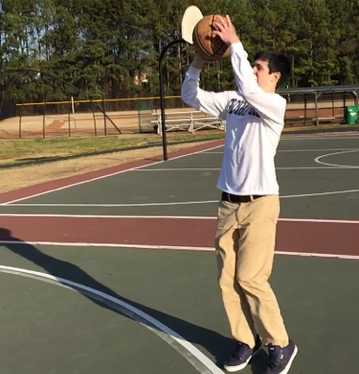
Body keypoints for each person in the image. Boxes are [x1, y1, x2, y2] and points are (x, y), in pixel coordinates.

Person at [181, 15, 298, 374]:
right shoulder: (233, 100)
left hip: (261, 203)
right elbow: (190, 96)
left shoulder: (274, 106)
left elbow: (249, 89)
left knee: (251, 278)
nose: (253, 71)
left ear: (274, 76)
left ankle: (281, 343)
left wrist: (235, 45)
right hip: (228, 203)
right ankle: (246, 340)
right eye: (253, 66)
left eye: (259, 67)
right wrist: (200, 58)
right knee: (226, 280)